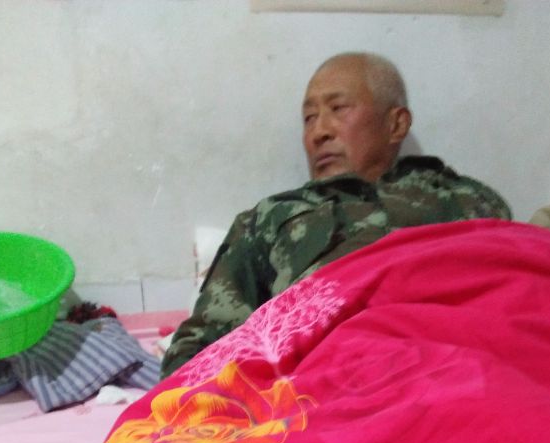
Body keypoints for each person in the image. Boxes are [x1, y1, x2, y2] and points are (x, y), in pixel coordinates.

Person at [161, 52, 511, 377]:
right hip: (325, 385)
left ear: (396, 124)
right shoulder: (271, 218)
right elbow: (203, 345)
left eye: (338, 109)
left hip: (457, 373)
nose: (319, 132)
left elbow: (518, 302)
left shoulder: (469, 201)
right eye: (309, 118)